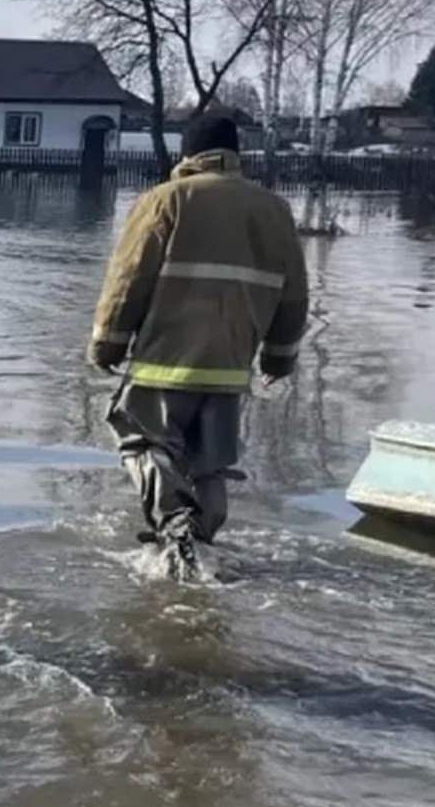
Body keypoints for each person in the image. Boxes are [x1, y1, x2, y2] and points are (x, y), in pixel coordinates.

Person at [88, 110, 309, 578]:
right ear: (236, 155)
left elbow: (128, 279)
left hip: (164, 362)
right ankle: (200, 551)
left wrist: (107, 345)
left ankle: (175, 522)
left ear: (188, 154)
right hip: (230, 368)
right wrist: (279, 356)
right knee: (209, 466)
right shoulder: (274, 209)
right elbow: (294, 293)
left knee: (139, 439)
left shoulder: (166, 200)